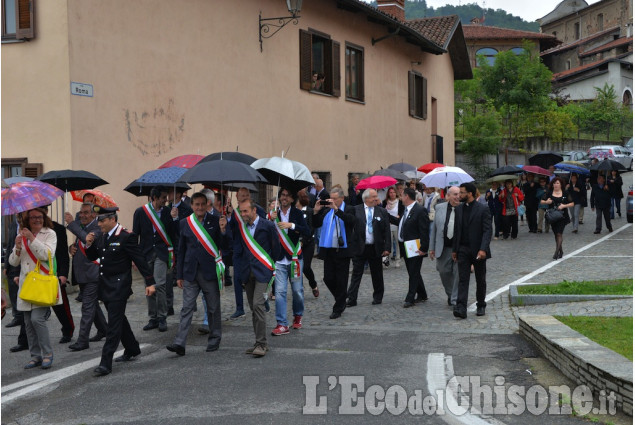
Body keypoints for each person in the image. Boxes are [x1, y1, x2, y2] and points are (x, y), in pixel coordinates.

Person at [85, 206, 157, 376]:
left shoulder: (126, 236)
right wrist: (88, 244)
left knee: (114, 325)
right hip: (106, 286)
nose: (99, 223)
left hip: (119, 287)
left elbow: (140, 260)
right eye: (98, 220)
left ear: (112, 219)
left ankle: (105, 362)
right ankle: (132, 348)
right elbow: (92, 256)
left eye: (102, 220)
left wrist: (150, 282)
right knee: (119, 320)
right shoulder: (102, 237)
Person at [166, 192, 230, 356]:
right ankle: (179, 343)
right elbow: (181, 250)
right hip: (190, 272)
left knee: (213, 307)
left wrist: (223, 231)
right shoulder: (185, 223)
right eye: (196, 205)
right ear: (192, 206)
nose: (200, 207)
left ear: (207, 204)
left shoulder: (216, 221)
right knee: (186, 308)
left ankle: (215, 339)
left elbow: (224, 246)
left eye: (202, 204)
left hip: (209, 272)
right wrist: (178, 275)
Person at [9, 208, 59, 369]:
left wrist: (32, 238)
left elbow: (47, 255)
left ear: (44, 218)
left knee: (37, 319)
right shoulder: (21, 235)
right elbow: (13, 262)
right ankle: (35, 356)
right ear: (27, 220)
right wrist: (17, 248)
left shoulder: (50, 234)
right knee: (28, 323)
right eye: (33, 218)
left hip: (42, 284)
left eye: (40, 217)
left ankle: (47, 353)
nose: (37, 220)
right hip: (26, 286)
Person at [235, 199, 281, 357]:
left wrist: (270, 267)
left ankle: (261, 344)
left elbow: (276, 248)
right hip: (248, 273)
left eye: (245, 211)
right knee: (253, 308)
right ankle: (259, 342)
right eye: (241, 212)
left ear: (254, 210)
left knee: (258, 305)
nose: (243, 214)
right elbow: (238, 249)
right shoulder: (242, 228)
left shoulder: (267, 226)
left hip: (263, 273)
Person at [132, 186, 177, 333]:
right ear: (154, 198)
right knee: (149, 286)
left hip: (161, 253)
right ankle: (153, 318)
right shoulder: (140, 212)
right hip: (145, 253)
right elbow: (135, 236)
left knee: (160, 284)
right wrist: (134, 257)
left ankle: (162, 316)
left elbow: (172, 233)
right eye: (163, 198)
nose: (166, 200)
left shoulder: (167, 212)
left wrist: (174, 218)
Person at [65, 204, 108, 351]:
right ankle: (104, 330)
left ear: (93, 215)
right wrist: (71, 247)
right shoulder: (83, 227)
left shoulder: (96, 228)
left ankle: (82, 340)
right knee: (92, 305)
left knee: (87, 307)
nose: (82, 215)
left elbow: (88, 240)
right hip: (82, 274)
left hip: (93, 274)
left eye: (85, 213)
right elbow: (80, 242)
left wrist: (71, 223)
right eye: (80, 212)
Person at [313, 187, 359, 319]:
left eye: (335, 199)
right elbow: (316, 224)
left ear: (342, 198)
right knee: (328, 278)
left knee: (341, 280)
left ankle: (338, 308)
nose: (332, 201)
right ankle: (341, 298)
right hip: (328, 249)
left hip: (343, 249)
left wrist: (337, 210)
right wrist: (316, 211)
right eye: (330, 198)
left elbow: (351, 221)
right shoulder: (327, 210)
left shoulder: (349, 208)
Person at [269, 188, 311, 335]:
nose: (284, 198)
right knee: (280, 291)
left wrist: (291, 225)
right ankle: (282, 323)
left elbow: (307, 231)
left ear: (292, 199)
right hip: (279, 259)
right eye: (282, 195)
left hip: (294, 259)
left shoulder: (297, 214)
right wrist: (270, 220)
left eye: (287, 196)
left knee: (297, 291)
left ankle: (298, 315)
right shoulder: (274, 214)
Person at [226, 187, 267, 320]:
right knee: (237, 278)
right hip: (239, 251)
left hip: (254, 250)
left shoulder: (257, 209)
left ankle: (263, 299)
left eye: (245, 195)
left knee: (257, 278)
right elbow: (230, 229)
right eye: (241, 195)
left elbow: (264, 222)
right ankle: (239, 308)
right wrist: (227, 217)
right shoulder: (235, 212)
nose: (243, 197)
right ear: (236, 197)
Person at [452, 183, 492, 318]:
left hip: (478, 250)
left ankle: (481, 304)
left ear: (469, 194)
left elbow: (487, 230)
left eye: (462, 193)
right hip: (463, 249)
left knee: (480, 279)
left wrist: (483, 249)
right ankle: (461, 307)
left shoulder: (483, 208)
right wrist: (455, 250)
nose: (459, 196)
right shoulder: (459, 209)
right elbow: (456, 230)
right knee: (463, 279)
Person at [346, 189, 391, 306]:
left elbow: (387, 231)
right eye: (373, 197)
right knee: (356, 274)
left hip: (375, 247)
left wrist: (387, 247)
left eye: (376, 196)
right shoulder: (356, 210)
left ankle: (378, 297)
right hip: (360, 247)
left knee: (377, 274)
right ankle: (352, 298)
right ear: (366, 199)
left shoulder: (381, 211)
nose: (376, 198)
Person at [393, 188, 430, 308]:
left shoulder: (420, 210)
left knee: (413, 272)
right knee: (412, 271)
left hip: (415, 246)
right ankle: (422, 294)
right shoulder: (405, 210)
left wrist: (424, 248)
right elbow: (401, 223)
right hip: (406, 245)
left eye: (401, 196)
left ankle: (410, 297)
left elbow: (424, 230)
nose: (400, 198)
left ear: (407, 196)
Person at [429, 186, 461, 307]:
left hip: (458, 248)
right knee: (444, 272)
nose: (457, 197)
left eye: (459, 194)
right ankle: (450, 294)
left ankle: (455, 299)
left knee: (457, 273)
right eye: (455, 194)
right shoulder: (439, 208)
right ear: (448, 196)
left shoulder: (463, 208)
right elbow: (435, 230)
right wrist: (432, 248)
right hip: (443, 248)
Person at [166, 188, 193, 316]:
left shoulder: (187, 209)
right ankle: (169, 306)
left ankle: (190, 304)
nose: (168, 195)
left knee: (186, 277)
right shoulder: (166, 209)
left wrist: (176, 218)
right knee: (169, 277)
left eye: (170, 192)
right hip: (169, 247)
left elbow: (186, 230)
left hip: (183, 247)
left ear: (177, 194)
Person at [540, 177, 574, 259]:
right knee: (556, 234)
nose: (556, 185)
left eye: (557, 183)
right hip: (553, 216)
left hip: (562, 216)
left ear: (561, 184)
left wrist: (564, 205)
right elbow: (542, 201)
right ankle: (561, 251)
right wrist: (547, 202)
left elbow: (572, 203)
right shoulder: (549, 193)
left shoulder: (565, 193)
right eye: (554, 183)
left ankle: (556, 252)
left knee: (559, 233)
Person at [296, 189, 319, 297]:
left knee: (305, 267)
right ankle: (299, 289)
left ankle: (313, 284)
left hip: (308, 243)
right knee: (296, 267)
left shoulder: (309, 211)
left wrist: (303, 241)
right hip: (295, 243)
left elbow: (310, 229)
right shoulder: (293, 212)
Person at [382, 186, 404, 267]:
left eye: (394, 192)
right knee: (387, 244)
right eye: (390, 192)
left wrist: (399, 216)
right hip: (387, 225)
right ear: (388, 193)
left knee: (397, 243)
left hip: (397, 225)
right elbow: (383, 212)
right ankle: (385, 260)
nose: (392, 194)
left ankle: (398, 260)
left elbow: (402, 212)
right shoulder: (385, 202)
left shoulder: (400, 202)